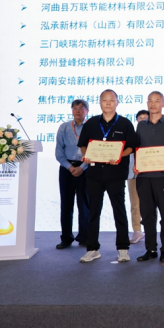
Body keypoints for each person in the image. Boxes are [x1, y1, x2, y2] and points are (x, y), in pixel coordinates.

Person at [77, 89, 137, 263]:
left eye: (111, 100)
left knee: (119, 211)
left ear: (117, 102)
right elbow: (83, 145)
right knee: (93, 212)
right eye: (104, 100)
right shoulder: (91, 123)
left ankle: (123, 248)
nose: (108, 103)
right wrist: (87, 154)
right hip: (94, 174)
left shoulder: (125, 123)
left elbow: (131, 147)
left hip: (116, 174)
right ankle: (92, 248)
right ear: (100, 102)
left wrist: (118, 156)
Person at [133, 91, 164, 263]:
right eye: (150, 101)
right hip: (144, 176)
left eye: (157, 101)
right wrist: (136, 165)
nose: (153, 104)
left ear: (163, 104)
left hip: (163, 176)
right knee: (147, 215)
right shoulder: (141, 126)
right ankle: (150, 249)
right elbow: (138, 149)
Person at [54, 99, 90, 249]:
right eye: (74, 108)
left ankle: (84, 237)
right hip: (67, 168)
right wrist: (70, 167)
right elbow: (59, 151)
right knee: (66, 203)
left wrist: (82, 167)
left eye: (81, 108)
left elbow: (94, 150)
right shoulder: (64, 127)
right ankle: (66, 237)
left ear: (87, 111)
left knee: (84, 204)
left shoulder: (91, 127)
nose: (77, 111)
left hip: (86, 168)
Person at [127, 109, 148, 244]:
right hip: (133, 174)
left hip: (151, 174)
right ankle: (137, 230)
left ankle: (150, 229)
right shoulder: (131, 135)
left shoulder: (155, 135)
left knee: (151, 203)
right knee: (135, 204)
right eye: (140, 119)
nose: (142, 121)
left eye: (145, 118)